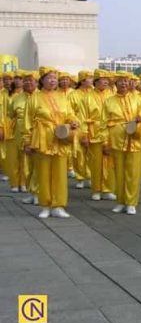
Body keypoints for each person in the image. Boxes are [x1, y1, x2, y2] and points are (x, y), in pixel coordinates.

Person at [23, 67, 80, 218]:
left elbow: (70, 114)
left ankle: (58, 205)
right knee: (44, 174)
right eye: (49, 78)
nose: (53, 81)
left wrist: (74, 122)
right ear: (42, 80)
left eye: (55, 78)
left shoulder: (62, 97)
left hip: (60, 137)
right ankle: (45, 205)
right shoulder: (34, 98)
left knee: (60, 174)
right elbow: (27, 122)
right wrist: (27, 142)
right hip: (42, 139)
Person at [103, 71, 141, 215]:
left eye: (126, 81)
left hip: (134, 137)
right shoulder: (109, 101)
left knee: (133, 172)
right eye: (120, 81)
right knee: (119, 171)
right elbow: (103, 123)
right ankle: (120, 201)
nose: (123, 84)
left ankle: (131, 202)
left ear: (130, 83)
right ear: (115, 84)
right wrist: (105, 141)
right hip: (117, 138)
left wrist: (140, 117)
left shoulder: (137, 99)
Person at [82, 69, 116, 202]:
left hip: (110, 131)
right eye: (103, 79)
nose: (106, 82)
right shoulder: (87, 97)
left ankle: (108, 189)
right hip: (94, 131)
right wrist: (84, 134)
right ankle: (96, 189)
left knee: (109, 162)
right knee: (96, 162)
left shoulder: (112, 95)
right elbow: (83, 117)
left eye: (107, 80)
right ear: (96, 82)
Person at [9, 71, 37, 198]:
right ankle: (17, 183)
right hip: (19, 132)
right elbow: (10, 114)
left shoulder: (40, 96)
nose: (27, 83)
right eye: (25, 81)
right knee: (17, 159)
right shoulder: (16, 98)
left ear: (37, 82)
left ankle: (32, 187)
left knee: (33, 161)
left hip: (37, 133)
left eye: (30, 80)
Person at [71, 71, 93, 189]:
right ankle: (80, 177)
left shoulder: (93, 93)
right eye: (89, 78)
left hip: (93, 126)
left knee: (91, 152)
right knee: (79, 152)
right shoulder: (74, 94)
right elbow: (70, 111)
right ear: (82, 81)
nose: (91, 80)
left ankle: (90, 176)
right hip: (78, 125)